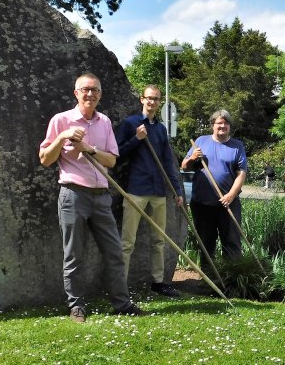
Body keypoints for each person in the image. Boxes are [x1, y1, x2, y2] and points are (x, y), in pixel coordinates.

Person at [39, 72, 143, 323]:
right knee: (73, 254)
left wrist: (89, 149)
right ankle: (76, 306)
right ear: (76, 93)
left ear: (100, 95)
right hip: (73, 194)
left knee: (114, 252)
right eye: (85, 89)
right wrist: (63, 137)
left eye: (95, 90)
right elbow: (45, 160)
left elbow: (111, 160)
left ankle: (122, 304)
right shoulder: (61, 120)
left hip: (101, 195)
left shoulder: (104, 122)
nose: (90, 94)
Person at [115, 85, 184, 297]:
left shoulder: (161, 129)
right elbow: (115, 153)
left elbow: (167, 162)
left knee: (159, 240)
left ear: (159, 102)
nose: (152, 102)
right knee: (127, 241)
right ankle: (120, 286)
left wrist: (177, 189)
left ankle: (158, 282)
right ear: (141, 99)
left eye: (156, 99)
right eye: (149, 98)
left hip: (158, 191)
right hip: (136, 189)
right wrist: (136, 139)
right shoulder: (131, 124)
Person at [181, 110, 248, 268]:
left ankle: (232, 280)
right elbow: (184, 167)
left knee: (232, 243)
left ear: (229, 126)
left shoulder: (237, 146)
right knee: (206, 244)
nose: (222, 126)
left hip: (228, 204)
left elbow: (241, 174)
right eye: (219, 123)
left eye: (225, 123)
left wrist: (231, 195)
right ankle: (208, 281)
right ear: (212, 125)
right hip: (203, 204)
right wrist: (192, 158)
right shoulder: (201, 141)